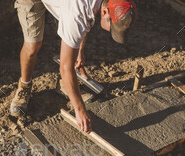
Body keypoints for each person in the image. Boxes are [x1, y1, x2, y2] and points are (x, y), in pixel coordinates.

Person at [10, 0, 137, 132]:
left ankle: (65, 85)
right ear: (105, 11)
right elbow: (65, 67)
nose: (111, 30)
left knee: (71, 40)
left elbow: (87, 18)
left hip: (69, 6)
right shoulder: (76, 14)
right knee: (32, 46)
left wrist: (79, 50)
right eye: (112, 26)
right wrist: (80, 110)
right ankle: (24, 85)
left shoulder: (87, 9)